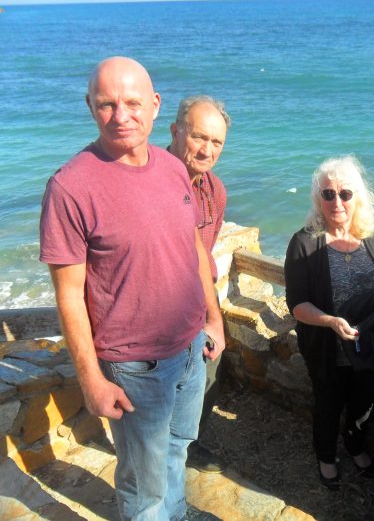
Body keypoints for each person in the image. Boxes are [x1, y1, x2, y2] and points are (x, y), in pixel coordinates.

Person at [39, 56, 224, 521]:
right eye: (107, 104)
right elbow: (69, 295)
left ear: (156, 105)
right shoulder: (69, 187)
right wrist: (90, 381)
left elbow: (193, 250)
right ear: (89, 106)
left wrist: (214, 319)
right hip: (134, 367)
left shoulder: (172, 168)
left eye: (133, 103)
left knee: (178, 449)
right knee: (143, 484)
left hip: (189, 349)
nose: (121, 116)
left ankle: (177, 513)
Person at [284, 155, 374, 490]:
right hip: (326, 348)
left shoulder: (371, 234)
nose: (337, 201)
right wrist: (331, 321)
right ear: (318, 198)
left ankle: (356, 444)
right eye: (328, 194)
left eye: (345, 193)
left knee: (364, 402)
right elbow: (297, 305)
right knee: (328, 405)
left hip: (367, 345)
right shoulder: (304, 242)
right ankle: (326, 456)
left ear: (357, 197)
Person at [168, 95, 230, 474]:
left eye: (216, 142)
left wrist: (213, 314)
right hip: (160, 318)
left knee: (207, 377)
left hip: (200, 308)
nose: (207, 150)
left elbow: (205, 252)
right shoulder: (151, 181)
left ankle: (190, 444)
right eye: (198, 137)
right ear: (175, 132)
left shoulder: (214, 191)